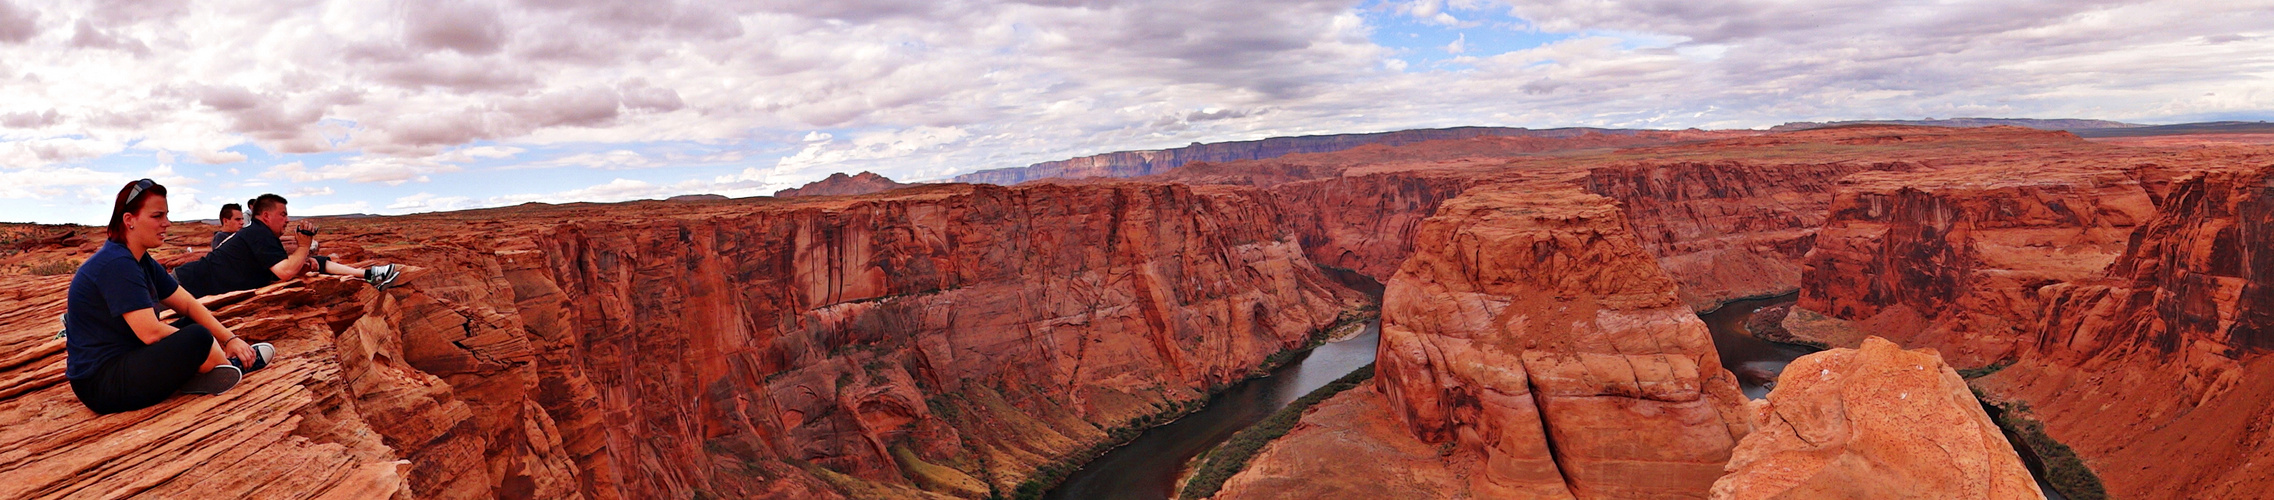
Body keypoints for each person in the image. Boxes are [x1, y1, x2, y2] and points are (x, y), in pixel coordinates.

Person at [66, 179, 275, 414]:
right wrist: (209, 347)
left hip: (127, 361)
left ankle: (202, 374)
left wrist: (230, 339)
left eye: (166, 215)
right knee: (197, 337)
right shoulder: (117, 264)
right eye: (157, 216)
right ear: (129, 220)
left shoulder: (140, 260)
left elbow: (186, 303)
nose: (167, 223)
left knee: (193, 325)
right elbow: (150, 333)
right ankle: (227, 366)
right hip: (102, 385)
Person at [175, 193, 399, 297]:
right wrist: (303, 246)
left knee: (312, 262)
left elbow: (290, 266)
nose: (287, 219)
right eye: (283, 214)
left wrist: (304, 258)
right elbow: (284, 272)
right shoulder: (257, 233)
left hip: (190, 285)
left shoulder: (262, 235)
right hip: (184, 284)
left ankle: (369, 275)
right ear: (265, 216)